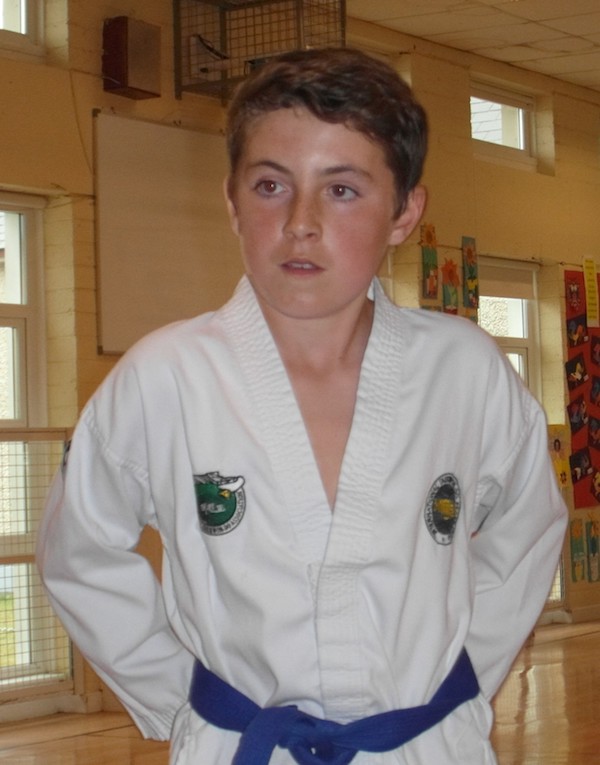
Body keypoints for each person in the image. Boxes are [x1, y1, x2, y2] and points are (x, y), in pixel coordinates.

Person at [36, 47, 567, 765]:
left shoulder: (463, 371)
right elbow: (80, 549)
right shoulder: (166, 377)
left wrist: (463, 676)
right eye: (270, 185)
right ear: (232, 201)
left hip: (421, 744)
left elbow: (528, 527)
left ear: (404, 212)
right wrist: (180, 695)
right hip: (243, 743)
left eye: (342, 189)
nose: (300, 222)